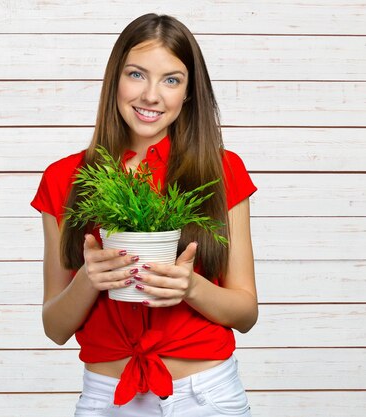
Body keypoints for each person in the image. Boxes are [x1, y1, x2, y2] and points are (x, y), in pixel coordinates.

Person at [31, 13, 258, 417]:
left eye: (172, 80)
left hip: (207, 397)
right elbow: (55, 327)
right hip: (108, 397)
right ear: (114, 80)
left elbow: (245, 313)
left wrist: (191, 287)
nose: (152, 95)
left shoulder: (221, 171)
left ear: (188, 93)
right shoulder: (64, 177)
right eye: (137, 75)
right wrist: (88, 279)